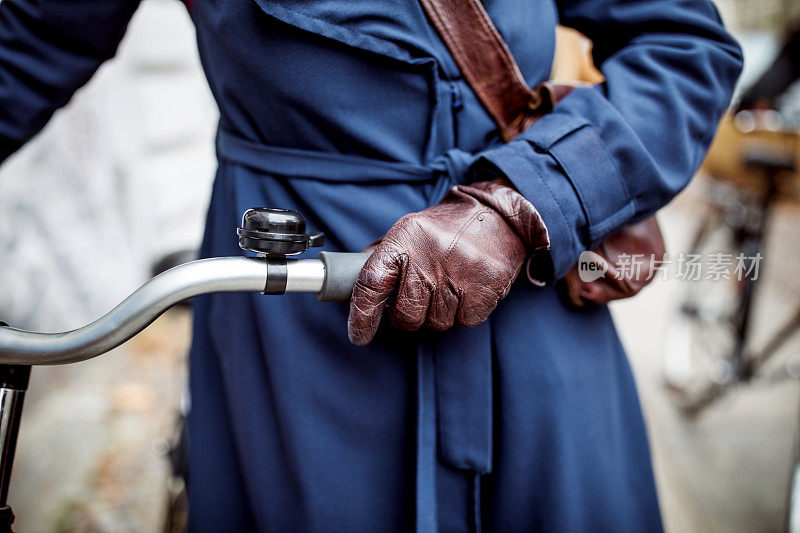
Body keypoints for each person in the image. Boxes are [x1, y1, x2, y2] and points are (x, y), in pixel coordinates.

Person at [0, 0, 741, 531]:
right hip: (298, 335)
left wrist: (526, 199)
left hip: (528, 304)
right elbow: (25, 40)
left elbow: (682, 47)